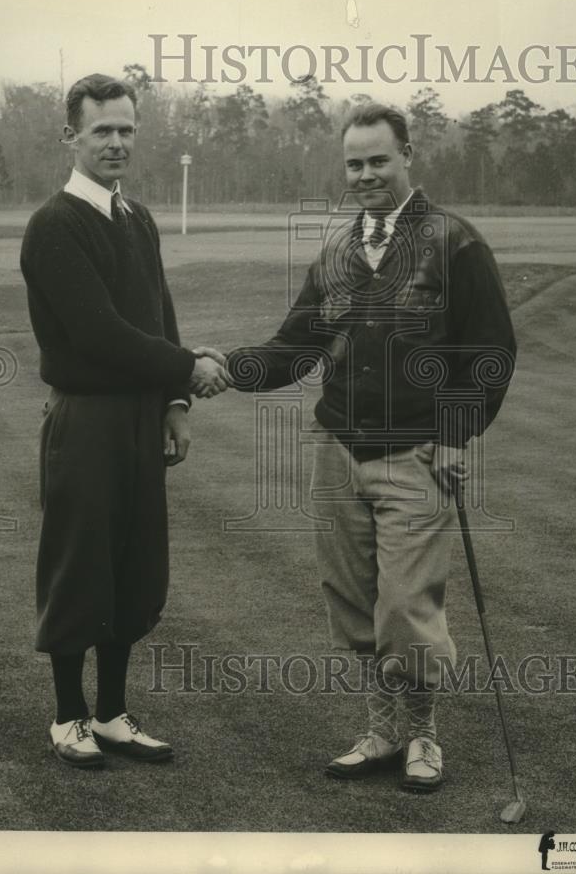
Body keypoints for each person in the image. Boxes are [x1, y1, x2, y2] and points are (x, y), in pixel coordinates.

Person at [209, 102, 516, 792]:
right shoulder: (336, 252)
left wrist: (457, 435)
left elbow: (490, 350)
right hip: (337, 446)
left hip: (415, 454)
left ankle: (421, 736)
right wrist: (223, 367)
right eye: (354, 164)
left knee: (406, 605)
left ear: (407, 155)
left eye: (378, 160)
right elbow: (294, 346)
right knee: (350, 598)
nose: (366, 174)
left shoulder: (453, 241)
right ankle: (379, 731)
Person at [20, 73, 228, 769]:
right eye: (101, 129)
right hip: (86, 423)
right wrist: (186, 365)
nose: (115, 142)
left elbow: (157, 312)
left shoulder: (134, 217)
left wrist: (174, 403)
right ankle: (66, 716)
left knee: (133, 570)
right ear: (71, 136)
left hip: (142, 418)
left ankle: (110, 713)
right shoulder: (55, 225)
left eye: (126, 129)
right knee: (80, 569)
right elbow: (100, 335)